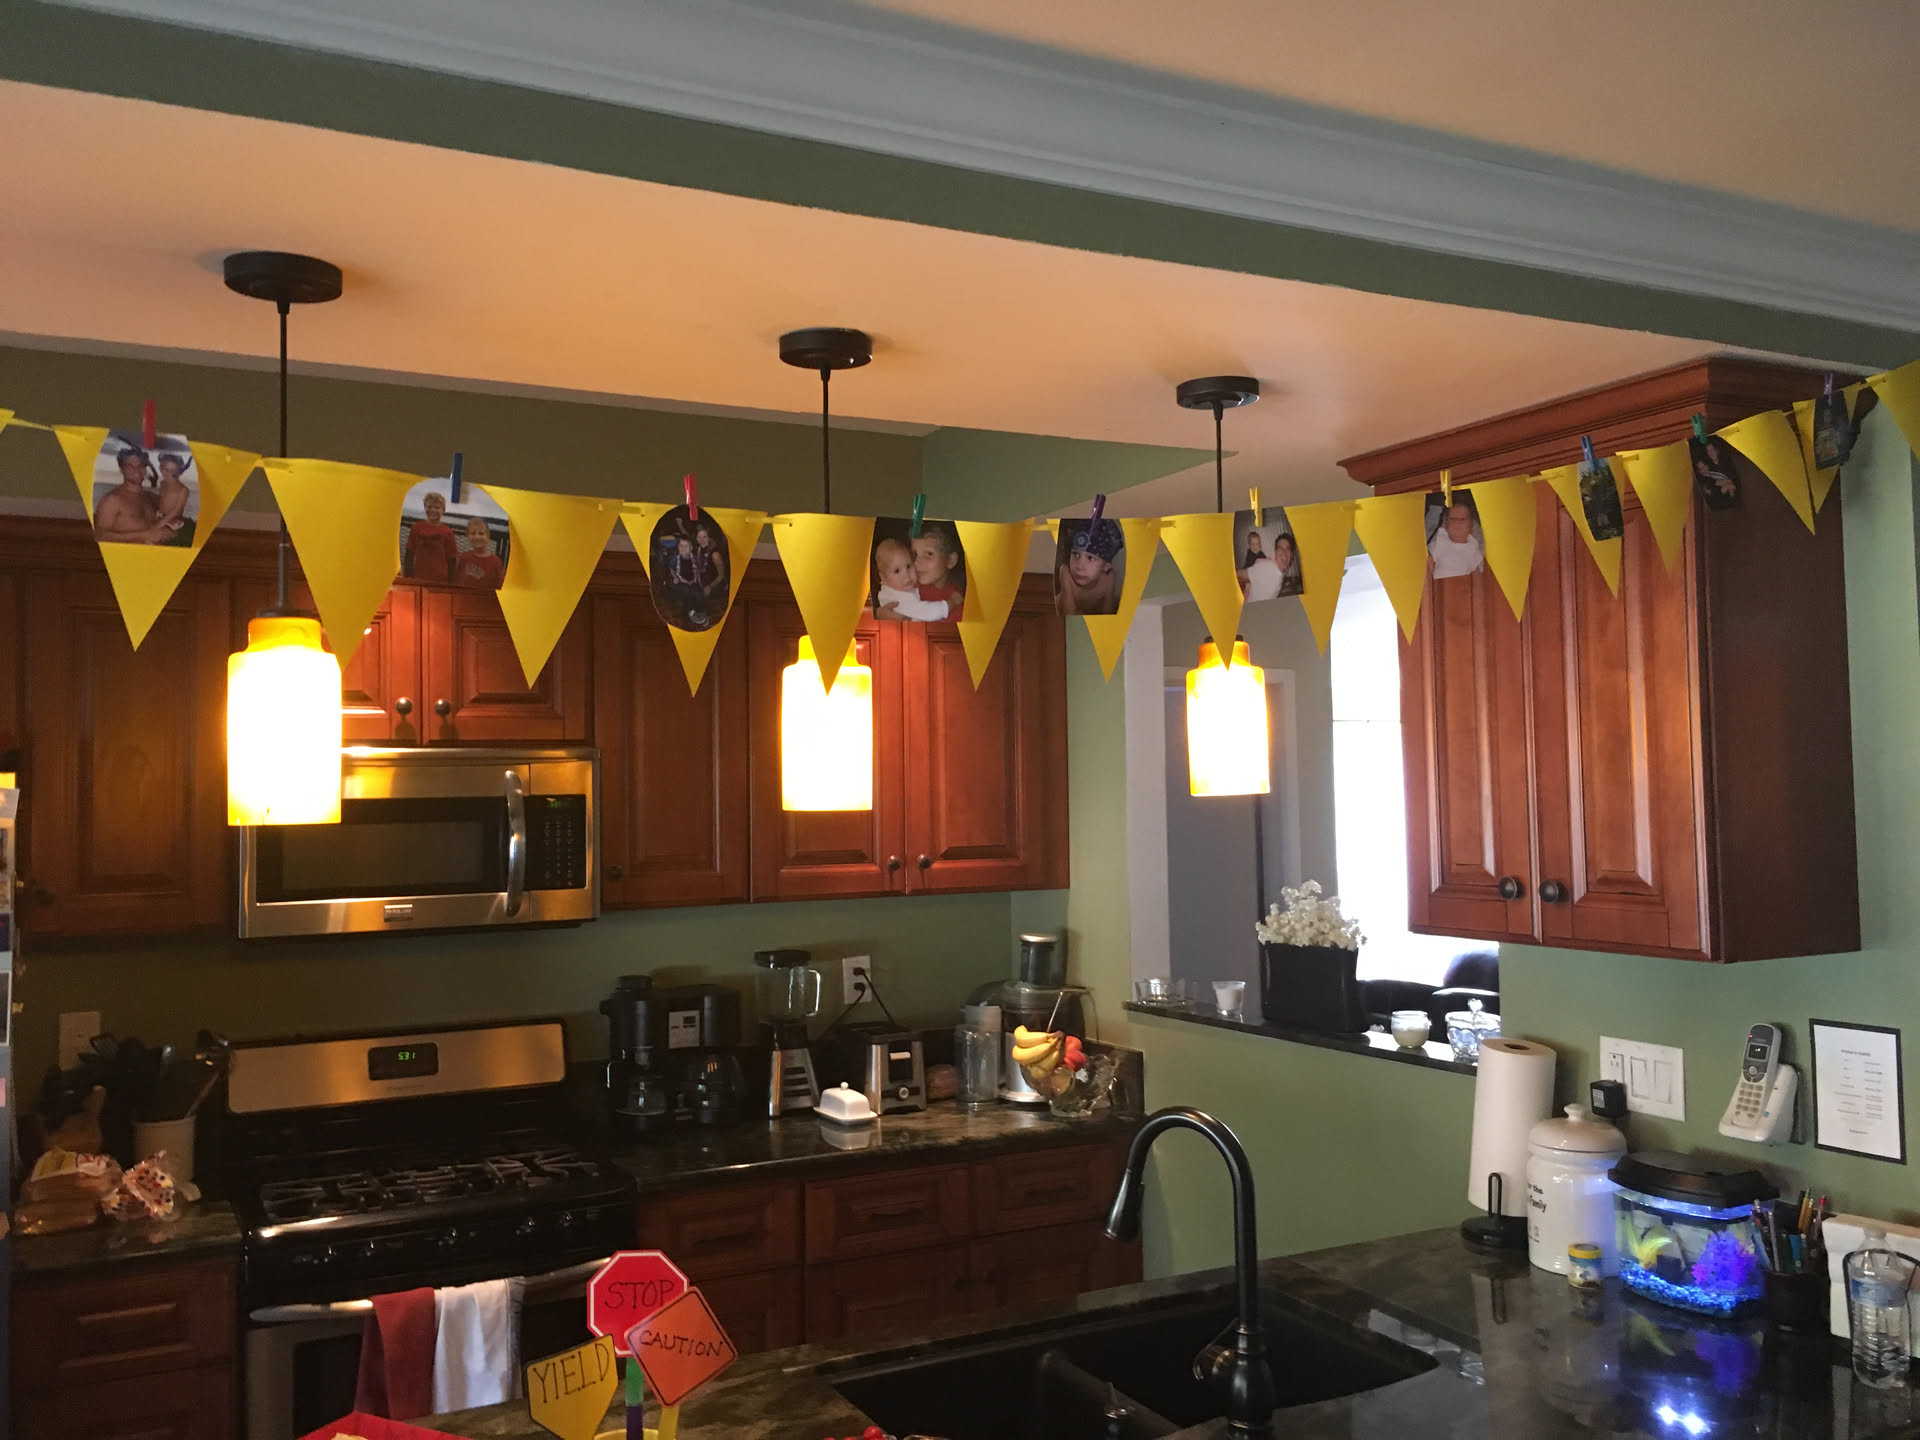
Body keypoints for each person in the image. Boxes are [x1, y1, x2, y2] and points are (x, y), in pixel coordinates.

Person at [93, 445, 175, 545]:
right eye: (130, 466)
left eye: (141, 466)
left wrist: (167, 531)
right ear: (122, 470)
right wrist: (143, 535)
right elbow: (100, 535)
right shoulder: (112, 500)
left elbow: (168, 521)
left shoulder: (150, 497)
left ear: (145, 469)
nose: (136, 470)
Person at [1057, 518, 1123, 616]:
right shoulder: (1066, 573)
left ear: (1106, 566)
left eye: (1090, 558)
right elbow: (1069, 613)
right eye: (1076, 554)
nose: (1079, 566)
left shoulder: (1109, 577)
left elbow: (1107, 611)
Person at [873, 537, 947, 620]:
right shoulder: (896, 598)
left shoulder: (900, 587)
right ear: (883, 577)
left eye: (908, 566)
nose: (907, 575)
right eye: (897, 571)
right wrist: (949, 604)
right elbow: (926, 612)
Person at [910, 525, 965, 621]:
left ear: (951, 560)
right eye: (914, 554)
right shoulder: (905, 587)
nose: (916, 562)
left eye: (929, 554)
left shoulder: (958, 603)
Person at [404, 489, 459, 582]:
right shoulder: (416, 528)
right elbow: (409, 554)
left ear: (443, 510)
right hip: (418, 578)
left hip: (441, 580)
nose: (433, 510)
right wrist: (408, 577)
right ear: (425, 507)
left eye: (437, 507)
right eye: (429, 507)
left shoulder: (448, 532)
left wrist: (451, 583)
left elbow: (452, 560)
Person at [1428, 501, 1485, 579]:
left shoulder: (1475, 549)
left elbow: (1479, 576)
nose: (1457, 523)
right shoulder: (1438, 542)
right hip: (1440, 584)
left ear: (1471, 524)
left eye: (1462, 519)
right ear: (1446, 523)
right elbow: (1427, 567)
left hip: (1465, 584)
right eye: (1453, 519)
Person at [153, 451, 195, 547]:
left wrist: (159, 524)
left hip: (173, 521)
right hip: (160, 516)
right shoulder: (163, 483)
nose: (169, 473)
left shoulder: (183, 490)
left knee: (157, 537)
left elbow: (175, 511)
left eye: (173, 471)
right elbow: (161, 501)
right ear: (161, 469)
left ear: (179, 472)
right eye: (166, 469)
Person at [454, 515, 505, 589]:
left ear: (488, 536)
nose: (477, 537)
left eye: (481, 533)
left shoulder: (496, 562)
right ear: (468, 536)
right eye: (473, 533)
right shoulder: (462, 558)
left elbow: (499, 587)